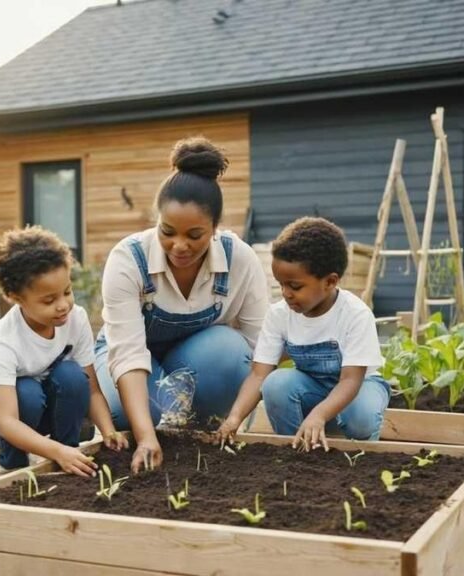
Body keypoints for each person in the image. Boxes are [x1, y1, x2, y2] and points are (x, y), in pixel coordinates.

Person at [96, 137, 269, 472]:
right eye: (168, 231)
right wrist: (146, 437)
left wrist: (236, 418)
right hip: (130, 359)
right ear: (157, 220)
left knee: (231, 352)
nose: (179, 246)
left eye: (194, 235)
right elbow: (128, 354)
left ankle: (197, 439)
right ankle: (152, 430)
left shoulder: (239, 260)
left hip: (195, 360)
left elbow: (261, 349)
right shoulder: (129, 259)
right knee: (128, 414)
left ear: (215, 228)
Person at [215, 217, 389, 451]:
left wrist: (319, 415)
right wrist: (234, 418)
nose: (286, 293)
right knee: (275, 384)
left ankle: (361, 451)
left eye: (295, 286)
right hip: (312, 387)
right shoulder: (279, 315)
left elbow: (351, 380)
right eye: (281, 284)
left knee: (361, 417)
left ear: (330, 281)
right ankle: (295, 449)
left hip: (359, 388)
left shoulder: (355, 314)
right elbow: (258, 375)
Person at [0, 226, 128, 476]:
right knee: (27, 392)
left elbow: (92, 390)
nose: (63, 305)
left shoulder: (76, 319)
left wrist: (109, 431)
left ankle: (69, 455)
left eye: (67, 292)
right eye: (49, 300)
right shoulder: (5, 339)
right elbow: (6, 422)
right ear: (16, 298)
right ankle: (12, 467)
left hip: (40, 403)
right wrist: (55, 451)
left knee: (73, 375)